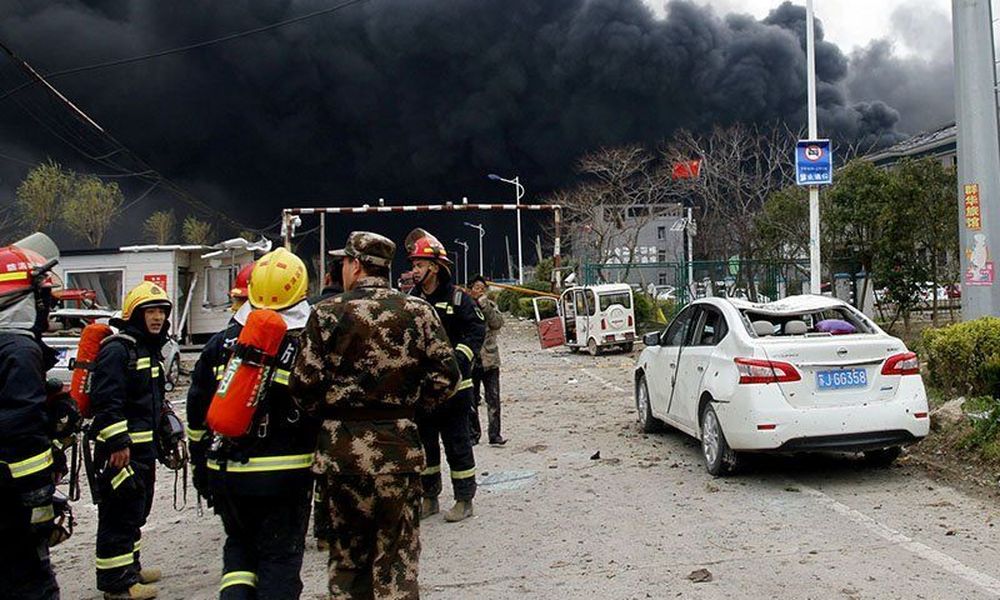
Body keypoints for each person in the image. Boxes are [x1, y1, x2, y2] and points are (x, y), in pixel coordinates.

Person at [291, 231, 460, 599]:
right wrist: (410, 408)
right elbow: (447, 376)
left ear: (354, 265)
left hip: (341, 457)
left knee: (348, 561)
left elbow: (303, 385)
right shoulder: (417, 312)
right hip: (398, 451)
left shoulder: (326, 314)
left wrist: (335, 414)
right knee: (397, 558)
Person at [187, 247, 318, 599]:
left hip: (227, 474)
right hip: (285, 479)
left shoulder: (219, 345)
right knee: (279, 560)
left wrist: (202, 468)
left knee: (239, 553)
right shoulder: (306, 346)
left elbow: (197, 416)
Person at [89, 281, 173, 599]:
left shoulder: (147, 350)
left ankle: (131, 569)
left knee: (137, 510)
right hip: (120, 452)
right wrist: (117, 442)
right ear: (134, 314)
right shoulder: (117, 350)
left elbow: (152, 403)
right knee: (118, 513)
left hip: (142, 450)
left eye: (161, 312)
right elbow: (106, 401)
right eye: (150, 311)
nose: (157, 318)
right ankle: (115, 584)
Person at [406, 229, 485, 522]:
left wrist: (458, 361)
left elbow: (476, 331)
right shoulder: (411, 301)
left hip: (455, 389)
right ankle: (430, 498)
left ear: (435, 267)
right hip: (423, 391)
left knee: (457, 445)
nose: (414, 270)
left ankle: (464, 500)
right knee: (425, 447)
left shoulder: (459, 299)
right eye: (413, 265)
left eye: (419, 265)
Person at [0, 235, 64, 600]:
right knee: (32, 582)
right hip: (11, 499)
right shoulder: (19, 350)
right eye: (43, 297)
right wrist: (41, 493)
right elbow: (22, 428)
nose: (48, 305)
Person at [305, 258, 345, 552]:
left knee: (320, 472)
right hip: (354, 411)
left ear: (327, 275)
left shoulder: (310, 309)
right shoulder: (362, 310)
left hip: (318, 409)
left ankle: (321, 532)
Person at [467, 275, 506, 446]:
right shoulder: (465, 306)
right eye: (477, 287)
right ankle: (473, 434)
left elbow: (497, 323)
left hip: (490, 359)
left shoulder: (490, 307)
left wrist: (485, 305)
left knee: (494, 399)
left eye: (483, 288)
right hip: (472, 360)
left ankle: (495, 435)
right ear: (470, 289)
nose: (480, 291)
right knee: (471, 400)